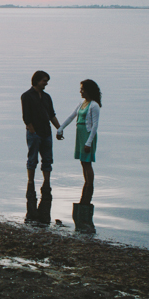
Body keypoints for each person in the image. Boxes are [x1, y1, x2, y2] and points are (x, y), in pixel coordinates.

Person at [57, 79, 101, 230]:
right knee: (83, 162)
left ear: (88, 90)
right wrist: (61, 127)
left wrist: (89, 142)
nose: (80, 91)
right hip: (80, 134)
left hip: (87, 136)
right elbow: (71, 116)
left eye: (82, 89)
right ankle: (87, 185)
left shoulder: (94, 105)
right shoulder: (81, 104)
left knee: (87, 162)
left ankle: (89, 186)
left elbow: (95, 126)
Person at [21, 70, 60, 193]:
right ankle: (30, 182)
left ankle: (47, 182)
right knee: (32, 159)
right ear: (37, 80)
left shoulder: (47, 97)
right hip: (34, 133)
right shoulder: (26, 96)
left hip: (46, 132)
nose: (46, 84)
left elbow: (51, 115)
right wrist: (32, 131)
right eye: (44, 81)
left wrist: (59, 128)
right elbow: (26, 117)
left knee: (48, 159)